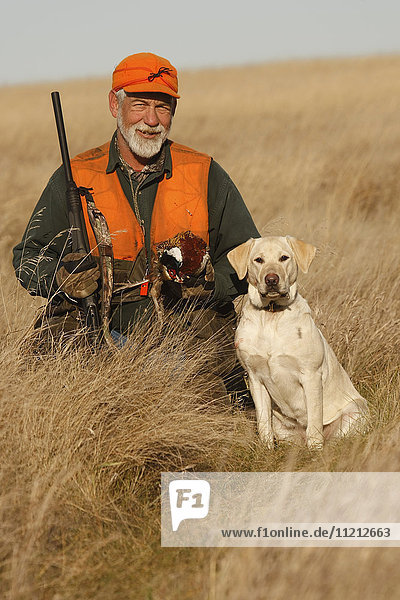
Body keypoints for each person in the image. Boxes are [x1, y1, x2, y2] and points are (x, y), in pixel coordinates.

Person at [13, 52, 259, 397]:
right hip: (96, 332)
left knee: (210, 408)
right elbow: (28, 256)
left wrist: (208, 281)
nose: (151, 120)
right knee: (51, 391)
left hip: (185, 333)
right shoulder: (76, 175)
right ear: (116, 105)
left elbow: (250, 257)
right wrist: (60, 276)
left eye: (162, 107)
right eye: (140, 104)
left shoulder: (204, 173)